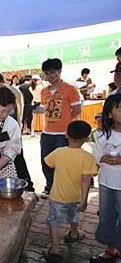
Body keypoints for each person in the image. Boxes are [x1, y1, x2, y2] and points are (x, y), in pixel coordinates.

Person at [43, 120, 98, 262]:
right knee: (74, 217)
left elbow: (48, 163)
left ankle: (55, 249)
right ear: (86, 139)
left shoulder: (59, 152)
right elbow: (86, 179)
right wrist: (84, 200)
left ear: (66, 135)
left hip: (57, 197)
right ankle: (73, 234)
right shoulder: (87, 157)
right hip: (76, 198)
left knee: (54, 222)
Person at [40, 58, 82, 199]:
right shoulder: (44, 91)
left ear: (59, 71)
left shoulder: (70, 89)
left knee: (61, 164)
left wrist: (66, 123)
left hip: (62, 134)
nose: (50, 76)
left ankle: (61, 189)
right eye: (46, 73)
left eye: (52, 72)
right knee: (46, 161)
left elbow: (77, 109)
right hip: (46, 133)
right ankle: (49, 186)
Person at [0, 71, 35, 191]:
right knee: (1, 159)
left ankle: (27, 185)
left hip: (12, 130)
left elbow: (20, 109)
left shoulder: (14, 92)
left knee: (18, 157)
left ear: (1, 80)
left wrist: (19, 126)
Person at [92, 94, 121, 261]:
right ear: (109, 114)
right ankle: (110, 249)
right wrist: (102, 158)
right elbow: (96, 154)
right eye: (119, 108)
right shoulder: (102, 135)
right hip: (106, 183)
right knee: (107, 215)